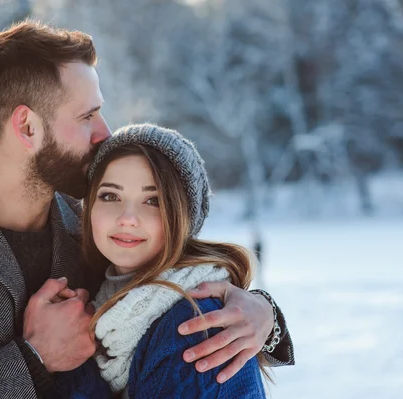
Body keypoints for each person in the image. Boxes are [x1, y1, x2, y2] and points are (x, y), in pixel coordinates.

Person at [0, 20, 294, 398]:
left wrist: (260, 312)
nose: (105, 132)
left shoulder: (101, 225)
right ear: (27, 126)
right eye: (87, 116)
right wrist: (32, 359)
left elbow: (179, 280)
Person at [50, 123, 271, 398]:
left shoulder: (196, 324)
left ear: (183, 216)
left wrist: (71, 367)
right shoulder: (102, 302)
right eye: (110, 196)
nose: (127, 218)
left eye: (153, 201)